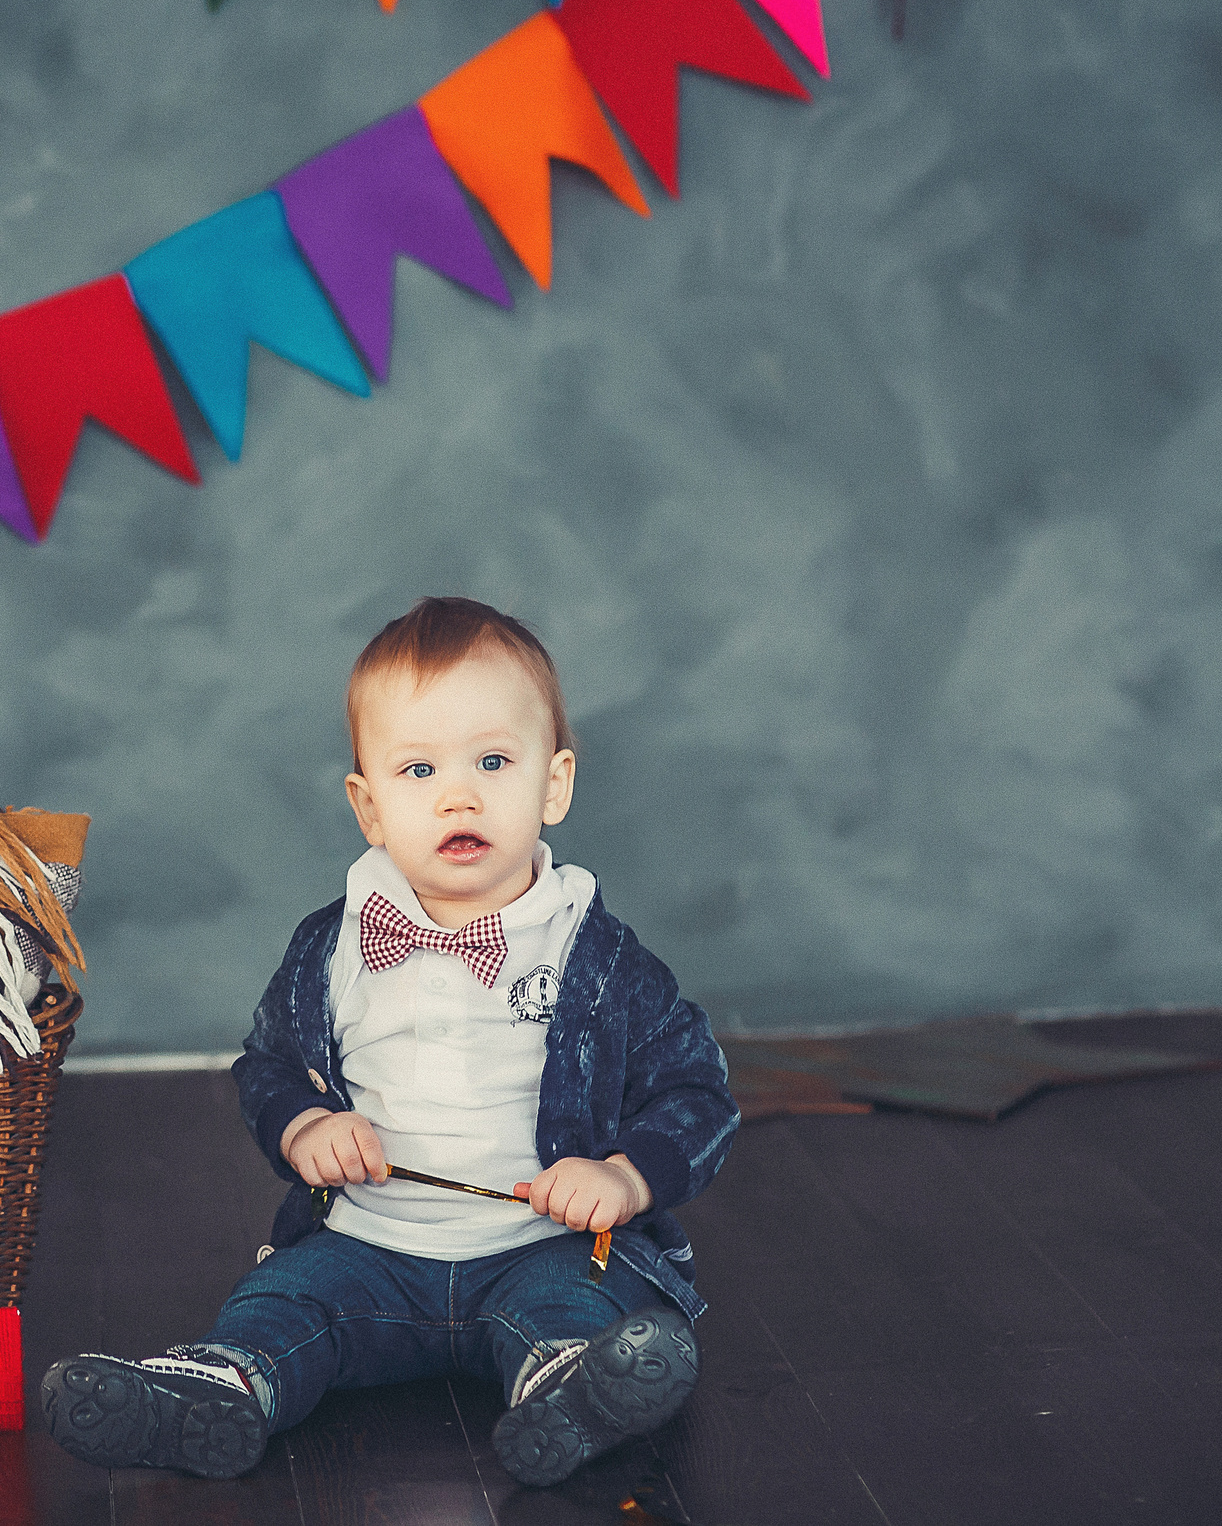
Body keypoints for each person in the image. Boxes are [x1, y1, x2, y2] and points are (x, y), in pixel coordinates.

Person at [41, 596, 739, 1488]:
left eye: (494, 760)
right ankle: (218, 1390)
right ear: (368, 806)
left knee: (575, 1308)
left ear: (553, 784)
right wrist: (303, 1126)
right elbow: (266, 1065)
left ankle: (568, 1392)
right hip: (367, 1246)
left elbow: (699, 1094)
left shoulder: (594, 954)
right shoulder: (334, 946)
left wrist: (624, 1175)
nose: (459, 793)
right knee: (281, 1302)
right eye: (417, 770)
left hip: (536, 1247)